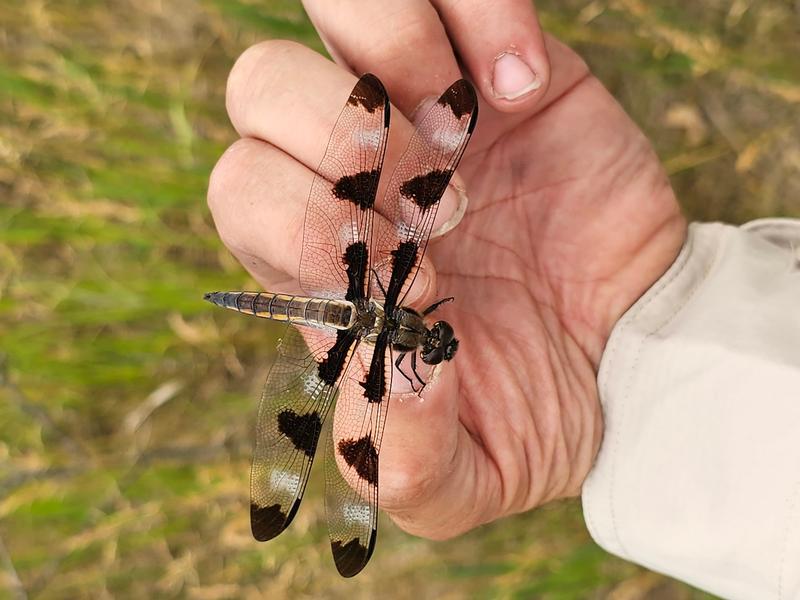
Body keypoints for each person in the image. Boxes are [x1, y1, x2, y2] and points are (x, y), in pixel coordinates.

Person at [206, 1, 800, 597]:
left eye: (431, 342)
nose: (436, 340)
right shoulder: (401, 281)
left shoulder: (401, 302)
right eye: (434, 339)